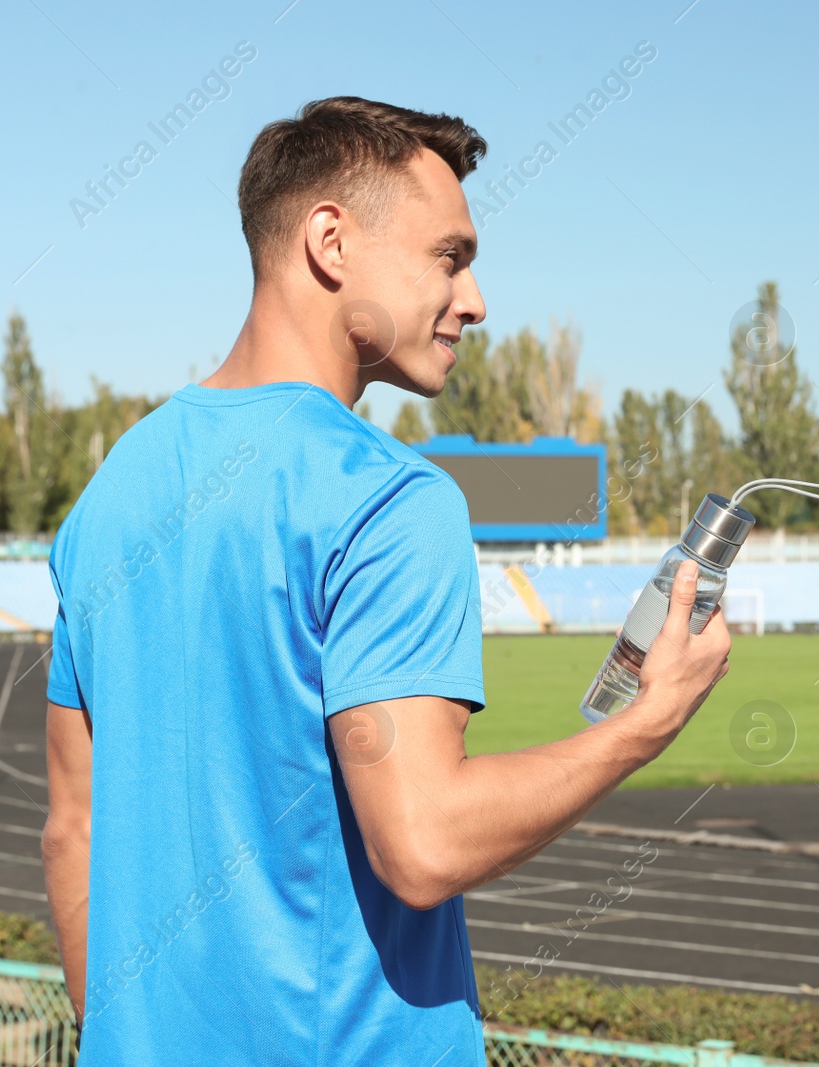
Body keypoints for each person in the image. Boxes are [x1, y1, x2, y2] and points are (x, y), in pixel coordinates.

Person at [40, 96, 731, 1066]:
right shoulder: (388, 497)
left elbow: (72, 833)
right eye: (448, 255)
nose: (476, 298)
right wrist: (644, 721)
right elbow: (426, 842)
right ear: (331, 241)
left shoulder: (110, 494)